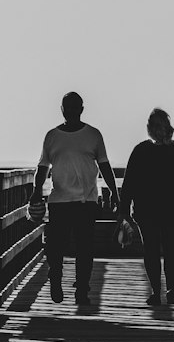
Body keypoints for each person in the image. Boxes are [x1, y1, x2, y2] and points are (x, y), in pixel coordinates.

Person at [31, 92, 119, 308]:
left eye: (74, 107)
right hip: (59, 200)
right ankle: (56, 278)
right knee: (56, 246)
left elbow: (104, 166)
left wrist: (115, 193)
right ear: (62, 109)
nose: (70, 111)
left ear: (81, 109)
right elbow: (43, 166)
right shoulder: (52, 136)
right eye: (67, 107)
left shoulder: (93, 135)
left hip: (86, 201)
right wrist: (36, 191)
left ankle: (82, 289)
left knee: (85, 248)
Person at [118, 108, 174, 308]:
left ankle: (159, 291)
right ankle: (167, 289)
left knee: (153, 250)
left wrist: (124, 209)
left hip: (152, 210)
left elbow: (129, 183)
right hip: (164, 210)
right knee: (169, 249)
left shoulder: (143, 150)